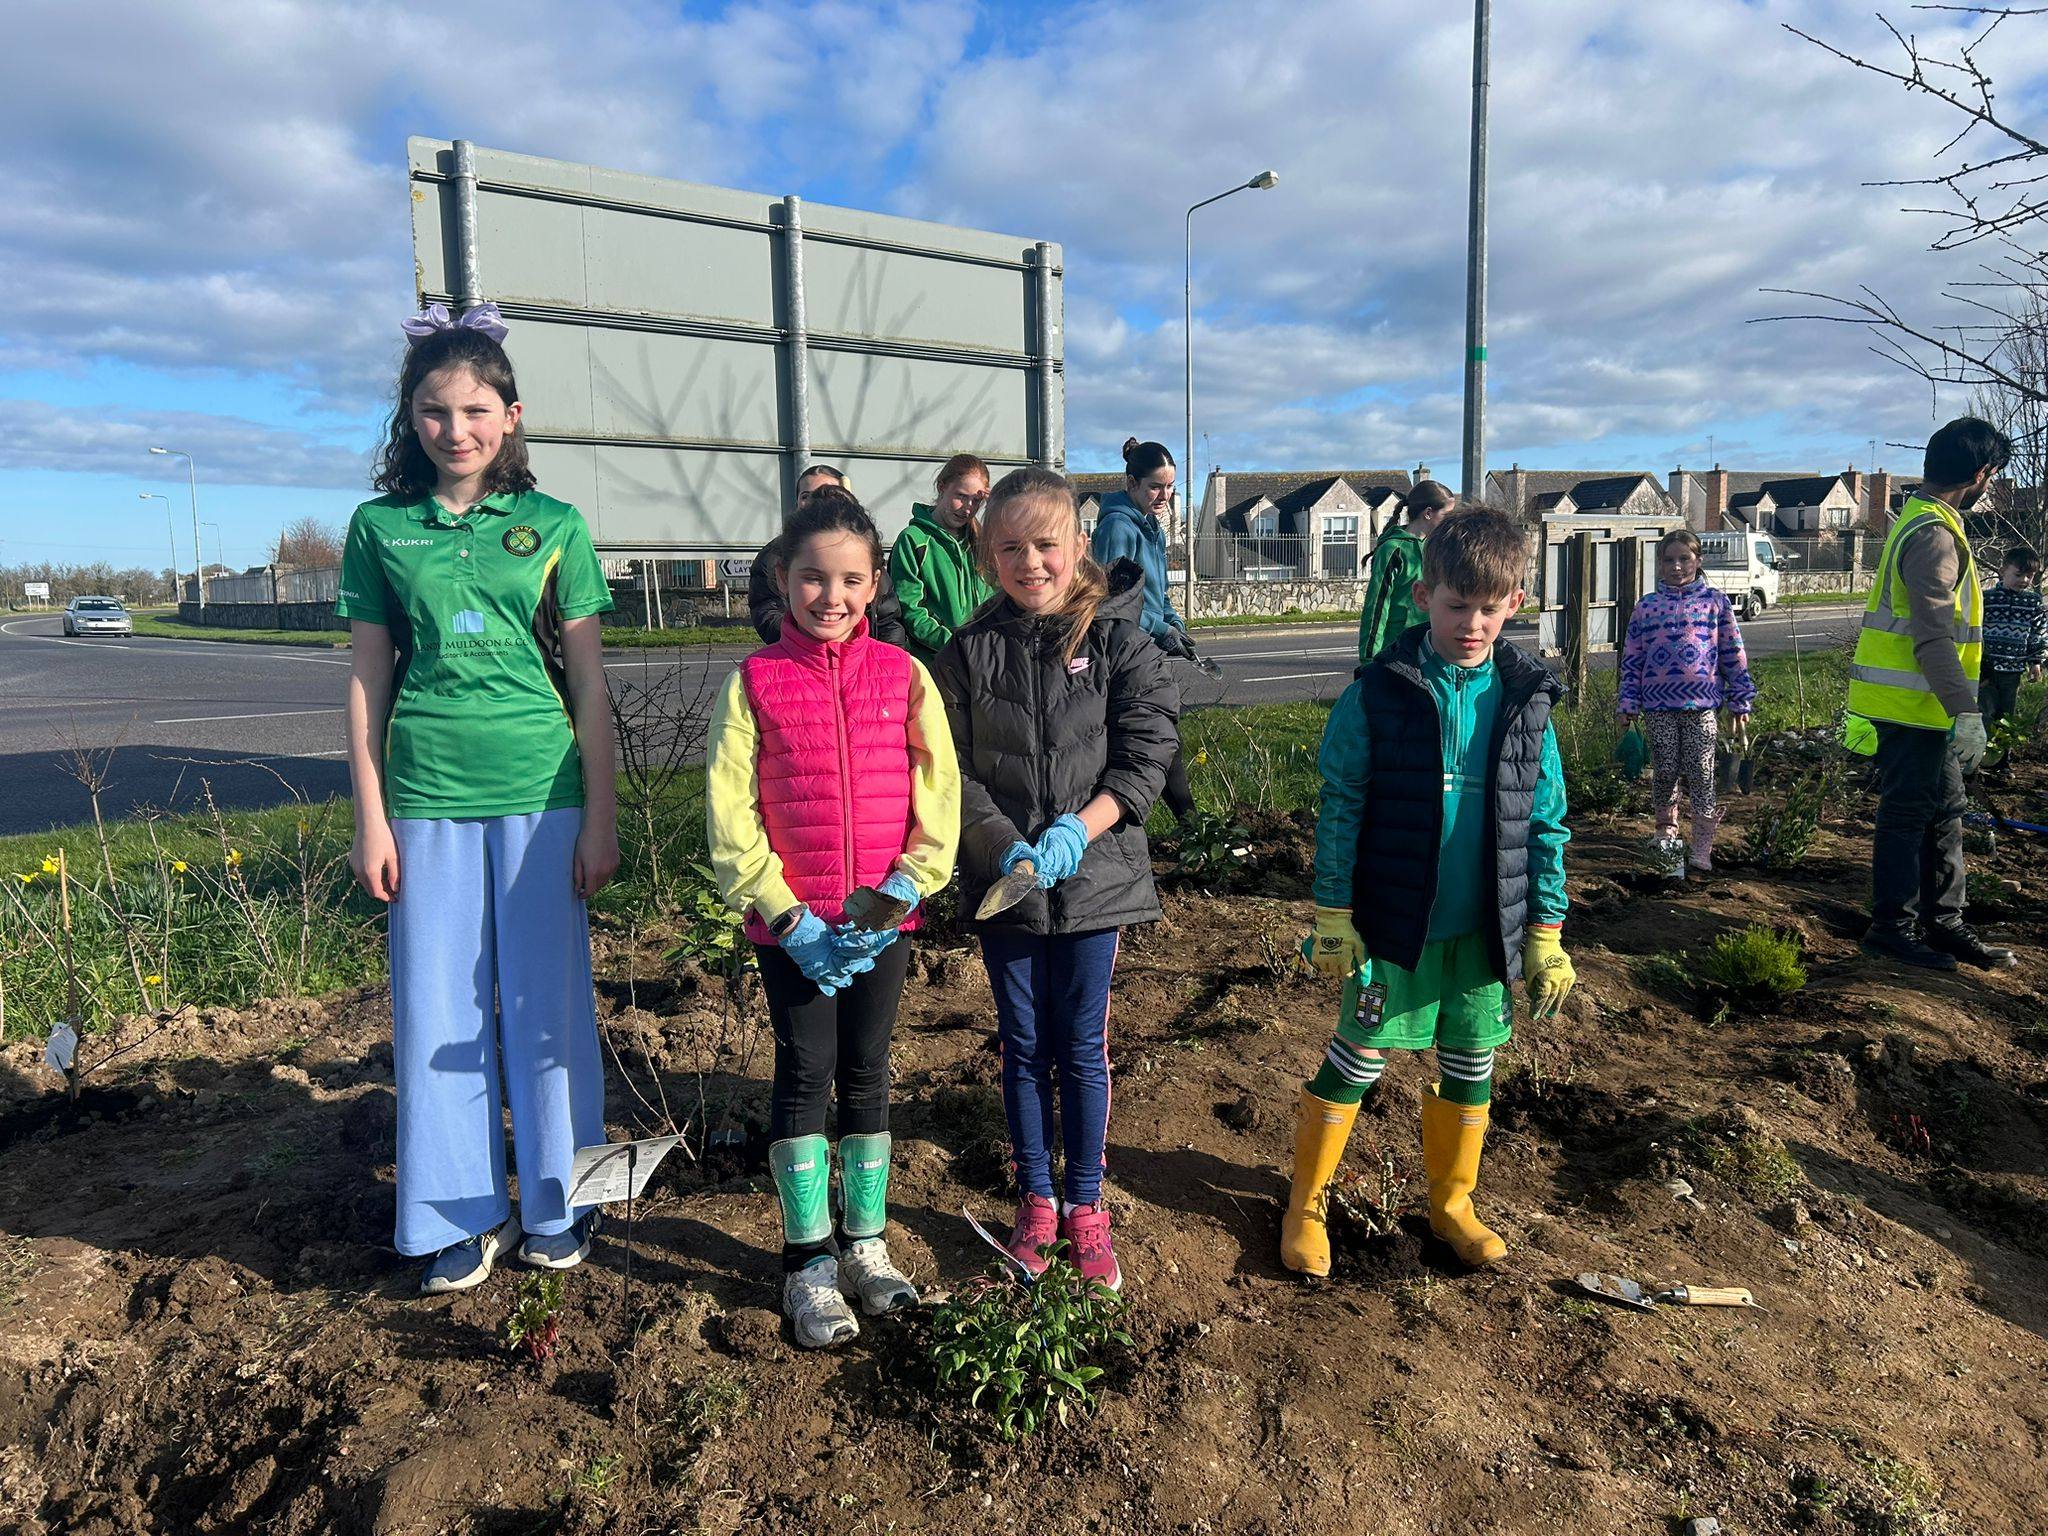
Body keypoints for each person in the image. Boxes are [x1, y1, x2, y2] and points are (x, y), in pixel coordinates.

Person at [338, 302, 617, 1296]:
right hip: (424, 798)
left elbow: (589, 684)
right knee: (433, 1010)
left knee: (548, 1007)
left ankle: (558, 1200)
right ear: (408, 419)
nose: (454, 430)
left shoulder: (556, 526)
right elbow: (367, 679)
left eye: (474, 410)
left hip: (542, 796)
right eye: (432, 410)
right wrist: (370, 815)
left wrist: (601, 815)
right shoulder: (378, 528)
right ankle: (456, 1215)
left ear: (511, 416)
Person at [1280, 507, 1575, 1278]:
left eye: (1489, 608)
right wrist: (1334, 912)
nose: (1472, 624)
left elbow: (1547, 823)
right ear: (1423, 597)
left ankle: (1452, 1203)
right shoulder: (1378, 695)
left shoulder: (1527, 703)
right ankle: (1306, 1203)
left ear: (1516, 603)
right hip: (1392, 924)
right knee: (1359, 1055)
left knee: (1472, 1061)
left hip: (1482, 930)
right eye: (1456, 605)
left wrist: (1546, 930)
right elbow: (1341, 808)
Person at [705, 489, 961, 1349]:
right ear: (783, 577)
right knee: (805, 1074)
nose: (832, 596)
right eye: (814, 578)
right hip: (794, 929)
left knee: (869, 1070)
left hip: (880, 923)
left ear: (875, 582)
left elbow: (938, 796)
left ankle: (865, 1243)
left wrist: (899, 898)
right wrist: (787, 917)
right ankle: (806, 1262)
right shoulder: (754, 682)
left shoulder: (905, 676)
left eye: (851, 580)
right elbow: (731, 812)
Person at [936, 468, 1180, 1293]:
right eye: (1010, 547)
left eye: (1046, 544)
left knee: (1080, 1046)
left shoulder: (1120, 641)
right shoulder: (967, 651)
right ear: (987, 555)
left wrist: (1084, 825)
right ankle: (1036, 1200)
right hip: (1005, 882)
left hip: (1094, 880)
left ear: (1079, 545)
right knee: (1021, 1046)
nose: (1030, 562)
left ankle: (1085, 1203)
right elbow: (949, 768)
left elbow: (1147, 752)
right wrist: (1004, 846)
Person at [1848, 417, 2016, 971]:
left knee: (1945, 811)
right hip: (1914, 710)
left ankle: (1943, 923)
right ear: (1981, 474)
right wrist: (1967, 712)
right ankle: (1892, 928)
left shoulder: (1924, 519)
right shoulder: (1934, 535)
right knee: (1909, 815)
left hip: (1924, 708)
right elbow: (1933, 636)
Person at [1617, 528, 1757, 875]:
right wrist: (1628, 701)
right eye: (1669, 560)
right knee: (1665, 770)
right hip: (1658, 706)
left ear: (1698, 560)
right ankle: (1666, 835)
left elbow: (1732, 653)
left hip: (1701, 705)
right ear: (1659, 564)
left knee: (1701, 771)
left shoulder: (1715, 603)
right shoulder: (1647, 607)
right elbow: (1632, 659)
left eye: (1684, 558)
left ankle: (1702, 845)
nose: (1676, 566)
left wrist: (1740, 698)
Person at [1090, 437, 1200, 824]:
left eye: (1170, 487)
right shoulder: (1118, 528)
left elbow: (1157, 593)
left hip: (1145, 649)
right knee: (1158, 736)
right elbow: (1110, 604)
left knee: (1160, 735)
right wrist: (1159, 628)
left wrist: (1174, 623)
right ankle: (1190, 826)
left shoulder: (1153, 528)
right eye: (1155, 487)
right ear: (1131, 483)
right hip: (1121, 652)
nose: (1164, 496)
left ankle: (1190, 826)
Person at [748, 464, 909, 647]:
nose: (832, 598)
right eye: (806, 496)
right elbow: (767, 611)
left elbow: (888, 618)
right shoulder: (775, 556)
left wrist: (883, 658)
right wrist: (810, 643)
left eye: (851, 581)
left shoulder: (864, 551)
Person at [889, 453, 997, 665]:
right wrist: (956, 645)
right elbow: (911, 611)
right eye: (961, 496)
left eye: (976, 500)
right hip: (936, 664)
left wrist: (999, 507)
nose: (968, 508)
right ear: (942, 487)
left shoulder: (984, 542)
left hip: (983, 661)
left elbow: (1004, 596)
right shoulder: (913, 540)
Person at [1358, 480, 1456, 666]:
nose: (1450, 522)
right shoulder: (1392, 550)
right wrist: (1369, 659)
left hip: (1431, 650)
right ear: (1428, 513)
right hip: (1396, 651)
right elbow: (1377, 606)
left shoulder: (1437, 548)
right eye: (1446, 515)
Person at [1980, 544, 2046, 730]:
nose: (2024, 580)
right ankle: (1982, 747)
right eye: (2018, 575)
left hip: (2013, 669)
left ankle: (2002, 748)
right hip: (1986, 668)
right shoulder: (1987, 598)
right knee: (1984, 711)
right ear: (2003, 571)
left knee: (2006, 715)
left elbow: (2037, 633)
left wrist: (2035, 662)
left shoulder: (2033, 602)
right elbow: (1975, 630)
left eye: (2029, 576)